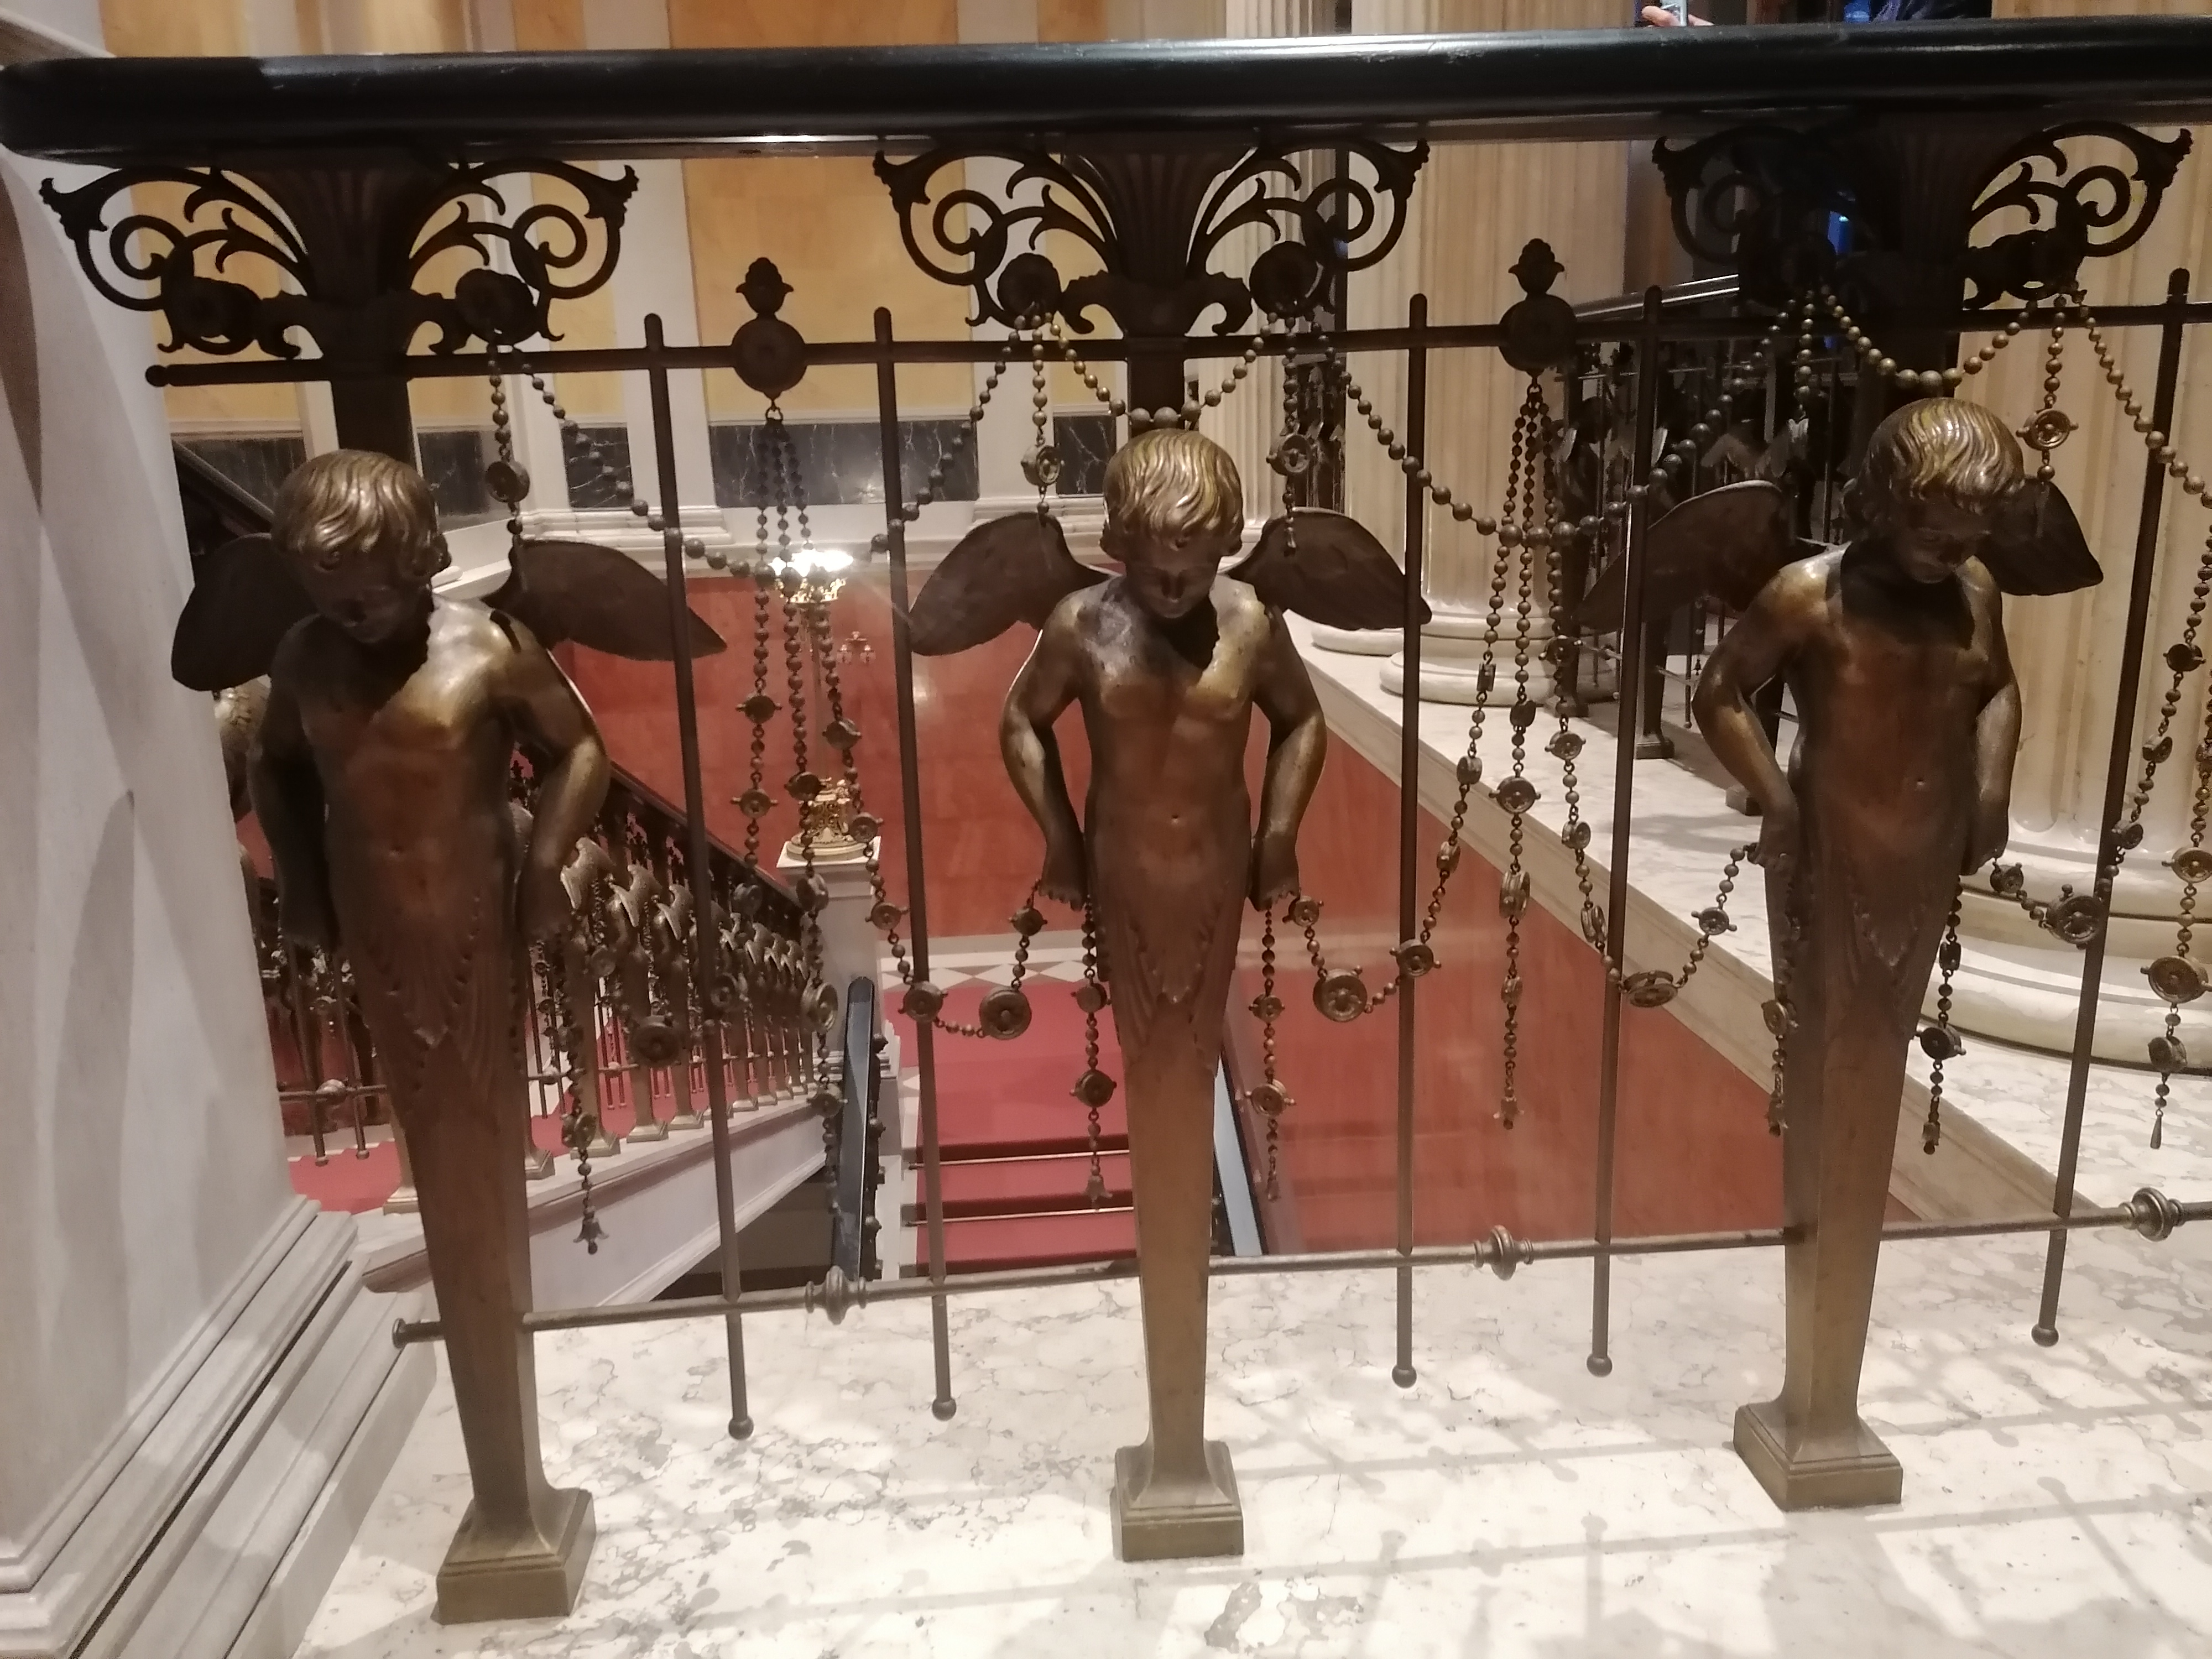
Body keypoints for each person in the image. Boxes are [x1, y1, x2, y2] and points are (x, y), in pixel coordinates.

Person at [253, 449, 610, 1614]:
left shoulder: (488, 647)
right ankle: (502, 1499)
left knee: (478, 1164)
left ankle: (514, 1493)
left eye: (368, 580)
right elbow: (276, 768)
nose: (349, 606)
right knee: (441, 1167)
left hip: (478, 927)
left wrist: (547, 867)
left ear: (417, 559)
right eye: (325, 584)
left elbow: (581, 750)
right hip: (378, 934)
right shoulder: (302, 659)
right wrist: (301, 888)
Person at [999, 427, 1327, 1553]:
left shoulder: (1253, 625)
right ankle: (1169, 1443)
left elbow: (1302, 722)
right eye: (1155, 563)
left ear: (1225, 545)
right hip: (1128, 886)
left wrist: (1278, 835)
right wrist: (1057, 837)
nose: (1176, 582)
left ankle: (1183, 1448)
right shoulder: (1079, 626)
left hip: (1215, 884)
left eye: (1195, 561)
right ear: (1119, 547)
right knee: (1158, 1100)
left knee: (1189, 1080)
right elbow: (1021, 721)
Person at [1691, 399, 2022, 1504]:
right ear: (1880, 500)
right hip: (1829, 860)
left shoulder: (1974, 593)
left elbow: (1995, 688)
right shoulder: (1809, 592)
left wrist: (1990, 788)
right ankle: (1814, 1398)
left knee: (1873, 1080)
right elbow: (1719, 693)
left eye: (1970, 527)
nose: (1951, 547)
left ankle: (1829, 1404)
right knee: (1835, 1085)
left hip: (1921, 862)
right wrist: (1776, 801)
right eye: (1932, 523)